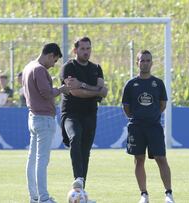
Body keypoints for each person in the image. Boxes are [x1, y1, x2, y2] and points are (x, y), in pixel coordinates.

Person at [121, 50, 175, 203]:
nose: (145, 63)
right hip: (136, 127)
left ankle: (168, 194)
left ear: (152, 63)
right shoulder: (131, 84)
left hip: (154, 126)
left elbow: (162, 104)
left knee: (161, 158)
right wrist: (137, 116)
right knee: (139, 159)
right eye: (142, 60)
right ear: (137, 62)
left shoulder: (158, 83)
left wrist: (152, 115)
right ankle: (144, 194)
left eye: (148, 60)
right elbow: (126, 107)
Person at [60, 37, 108, 194]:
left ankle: (81, 192)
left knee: (85, 151)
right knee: (75, 137)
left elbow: (103, 91)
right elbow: (75, 92)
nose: (86, 52)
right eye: (82, 49)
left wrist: (83, 84)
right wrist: (94, 90)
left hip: (90, 114)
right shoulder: (68, 68)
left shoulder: (96, 68)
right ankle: (79, 177)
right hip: (71, 113)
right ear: (75, 50)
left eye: (88, 48)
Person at [22, 43, 69, 203]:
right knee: (42, 160)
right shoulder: (40, 70)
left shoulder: (28, 66)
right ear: (50, 55)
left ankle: (34, 196)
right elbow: (47, 93)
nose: (53, 64)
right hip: (43, 118)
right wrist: (61, 89)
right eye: (54, 60)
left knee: (32, 158)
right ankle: (43, 197)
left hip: (33, 116)